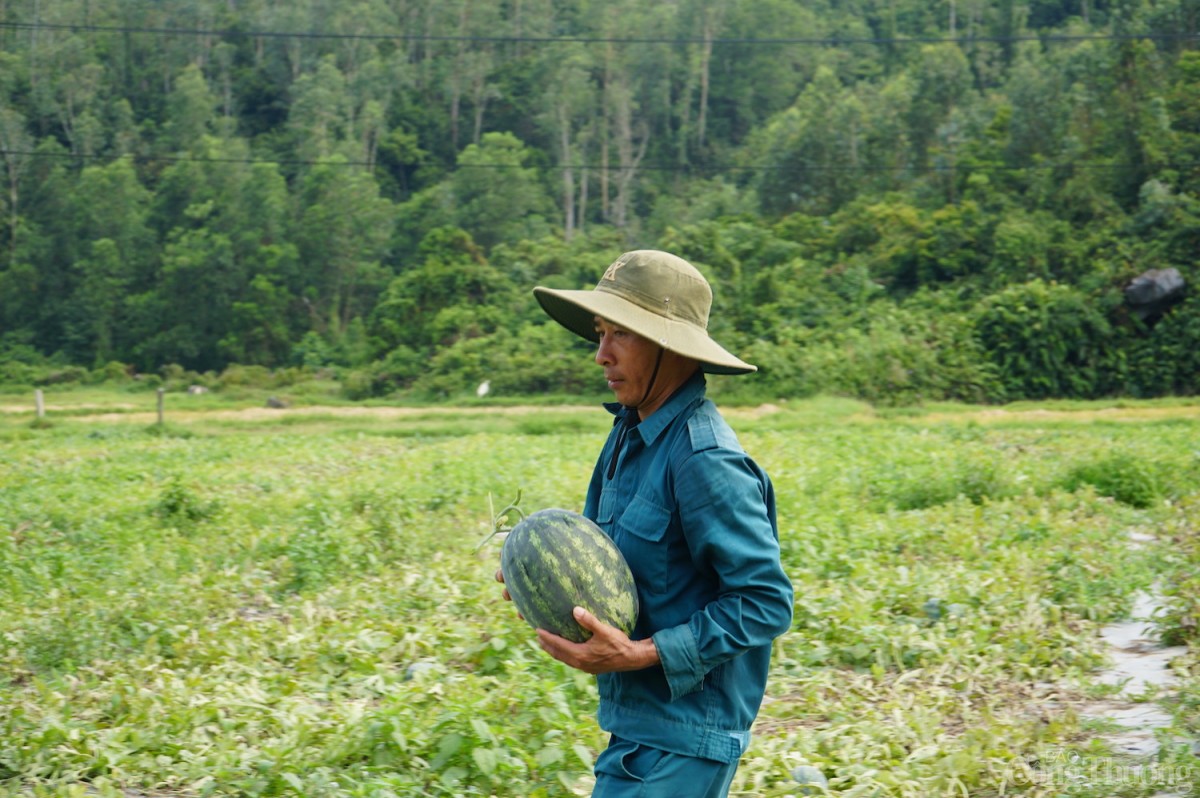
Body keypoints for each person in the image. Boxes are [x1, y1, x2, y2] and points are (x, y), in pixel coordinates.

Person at [496, 249, 794, 798]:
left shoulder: (706, 461)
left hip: (685, 740)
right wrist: (538, 575)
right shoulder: (627, 435)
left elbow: (765, 602)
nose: (600, 355)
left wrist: (640, 654)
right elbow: (604, 561)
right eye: (600, 333)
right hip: (637, 728)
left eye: (620, 335)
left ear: (668, 346)